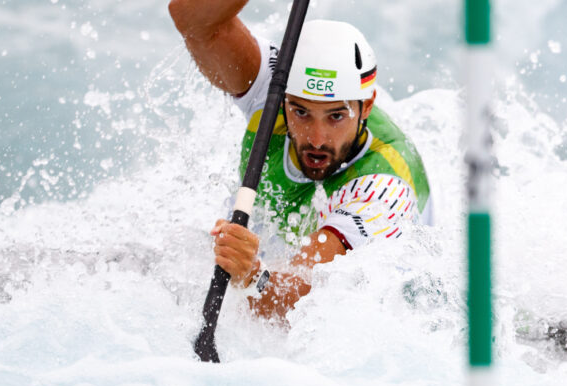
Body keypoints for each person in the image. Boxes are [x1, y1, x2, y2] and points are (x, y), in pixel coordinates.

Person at [168, 1, 433, 318]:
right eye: (301, 112)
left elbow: (298, 301)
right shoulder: (271, 91)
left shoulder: (383, 189)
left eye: (336, 116)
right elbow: (194, 21)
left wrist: (253, 278)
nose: (317, 139)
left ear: (366, 107)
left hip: (395, 305)